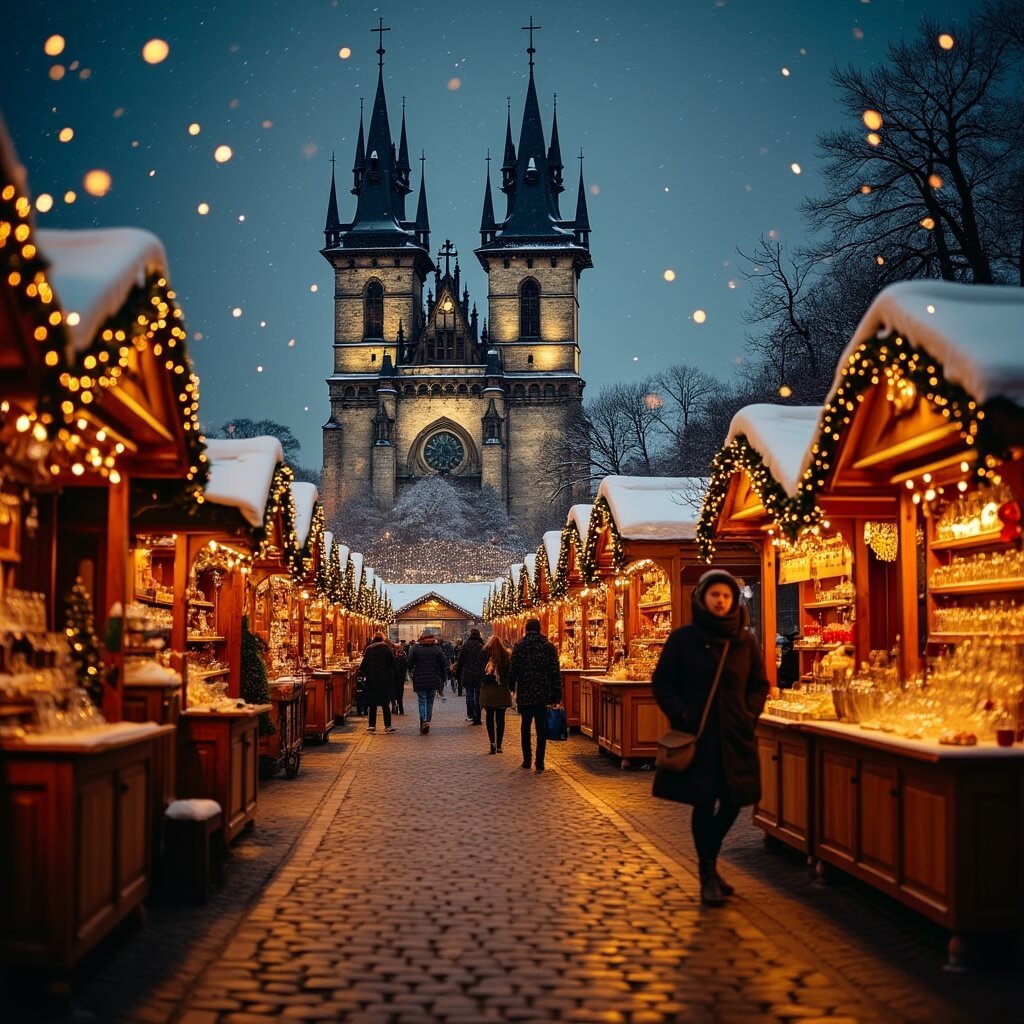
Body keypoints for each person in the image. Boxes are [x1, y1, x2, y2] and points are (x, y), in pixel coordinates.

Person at [651, 569, 770, 906]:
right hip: (700, 736)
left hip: (735, 736)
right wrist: (681, 714)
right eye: (715, 594)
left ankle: (710, 861)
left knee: (734, 801)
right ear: (703, 598)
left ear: (734, 600)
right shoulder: (684, 639)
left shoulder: (744, 642)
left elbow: (759, 684)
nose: (721, 600)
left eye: (726, 595)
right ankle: (707, 874)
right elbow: (663, 682)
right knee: (703, 802)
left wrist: (748, 715)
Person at [508, 618, 561, 772]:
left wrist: (511, 686)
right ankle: (540, 761)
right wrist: (557, 694)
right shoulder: (548, 647)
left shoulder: (520, 646)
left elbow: (513, 669)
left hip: (525, 692)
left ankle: (527, 759)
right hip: (543, 693)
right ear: (540, 629)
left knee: (525, 726)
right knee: (541, 728)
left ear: (526, 629)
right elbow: (555, 672)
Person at [407, 630, 447, 734]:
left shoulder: (416, 648)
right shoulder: (437, 649)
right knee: (430, 702)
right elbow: (443, 664)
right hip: (433, 678)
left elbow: (409, 663)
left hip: (420, 678)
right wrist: (443, 678)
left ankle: (424, 721)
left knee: (422, 701)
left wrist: (411, 669)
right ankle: (427, 721)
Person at [358, 632, 398, 733]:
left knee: (372, 703)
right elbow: (393, 664)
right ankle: (387, 726)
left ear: (373, 639)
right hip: (385, 680)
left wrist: (365, 674)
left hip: (372, 680)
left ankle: (372, 725)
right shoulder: (387, 649)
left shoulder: (369, 649)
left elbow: (363, 666)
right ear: (382, 639)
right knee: (385, 704)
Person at [480, 634, 513, 754]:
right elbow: (510, 674)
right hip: (502, 690)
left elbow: (480, 673)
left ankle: (492, 743)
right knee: (500, 718)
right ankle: (499, 745)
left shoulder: (484, 656)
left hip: (488, 691)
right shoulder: (506, 656)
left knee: (489, 717)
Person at [455, 628, 487, 725]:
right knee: (478, 696)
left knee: (469, 695)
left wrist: (458, 673)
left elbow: (460, 661)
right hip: (479, 674)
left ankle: (470, 714)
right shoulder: (482, 646)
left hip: (468, 673)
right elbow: (486, 661)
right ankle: (478, 717)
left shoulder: (465, 646)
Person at [392, 642, 407, 715]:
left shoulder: (402, 658)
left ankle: (398, 707)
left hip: (397, 678)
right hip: (399, 678)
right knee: (398, 693)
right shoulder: (402, 657)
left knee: (396, 693)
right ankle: (399, 708)